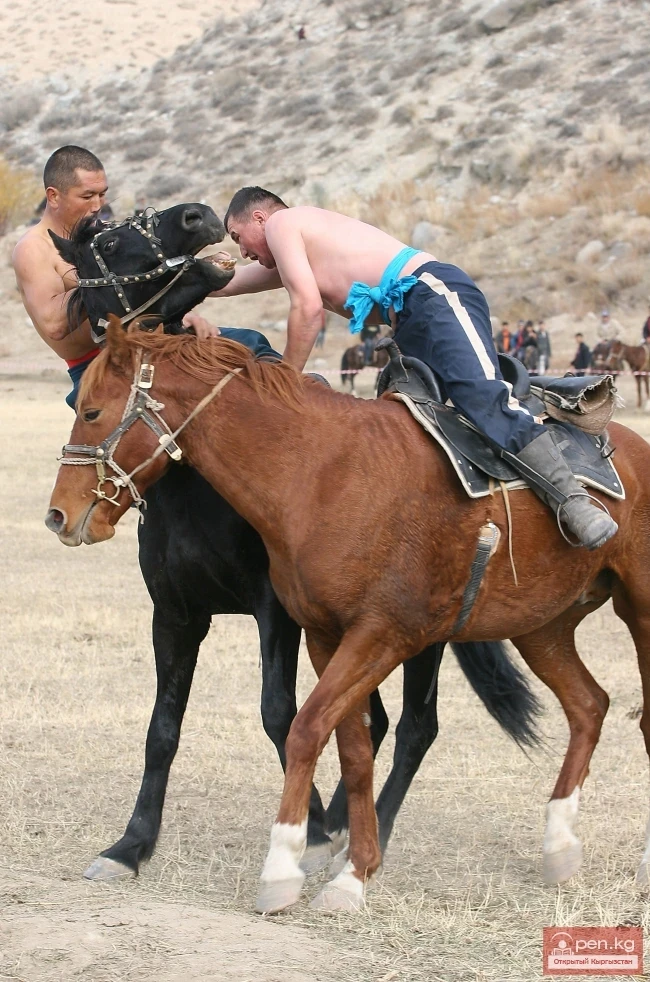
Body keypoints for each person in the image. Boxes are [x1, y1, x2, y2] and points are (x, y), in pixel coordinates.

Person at [183, 187, 616, 550]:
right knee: (403, 429)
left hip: (433, 293)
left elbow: (308, 310)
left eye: (238, 237)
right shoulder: (292, 252)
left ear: (260, 218)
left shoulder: (284, 224)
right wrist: (178, 284)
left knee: (480, 396)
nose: (242, 251)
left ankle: (573, 499)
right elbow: (227, 284)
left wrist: (284, 381)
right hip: (409, 320)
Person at [12, 146, 110, 409]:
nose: (97, 206)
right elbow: (54, 323)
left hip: (148, 347)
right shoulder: (34, 248)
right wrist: (112, 281)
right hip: (96, 369)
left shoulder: (101, 235)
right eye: (87, 196)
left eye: (102, 194)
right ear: (53, 196)